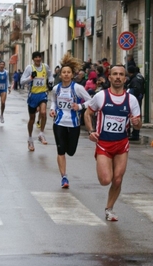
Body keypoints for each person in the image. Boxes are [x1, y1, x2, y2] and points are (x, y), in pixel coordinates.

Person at [84, 65, 142, 221]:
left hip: (122, 144)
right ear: (109, 78)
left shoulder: (132, 100)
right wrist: (91, 131)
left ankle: (109, 209)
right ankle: (109, 204)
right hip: (104, 143)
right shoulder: (101, 96)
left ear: (125, 78)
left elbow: (138, 124)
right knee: (105, 180)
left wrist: (136, 123)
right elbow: (88, 113)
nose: (117, 77)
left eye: (121, 75)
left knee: (117, 179)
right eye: (115, 74)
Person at [49, 54, 92, 188]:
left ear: (72, 74)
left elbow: (91, 100)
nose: (66, 75)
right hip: (59, 123)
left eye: (69, 72)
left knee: (71, 151)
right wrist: (52, 109)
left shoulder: (77, 88)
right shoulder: (56, 89)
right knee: (60, 150)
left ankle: (67, 150)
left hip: (74, 124)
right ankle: (64, 177)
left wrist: (79, 106)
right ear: (60, 75)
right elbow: (53, 101)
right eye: (64, 72)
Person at [20, 51, 54, 151]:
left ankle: (41, 134)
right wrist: (30, 78)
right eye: (36, 57)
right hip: (32, 96)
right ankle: (30, 138)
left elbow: (50, 75)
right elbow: (22, 81)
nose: (38, 59)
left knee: (43, 113)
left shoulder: (45, 67)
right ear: (33, 59)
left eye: (39, 57)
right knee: (32, 119)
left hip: (43, 94)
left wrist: (50, 82)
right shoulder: (29, 68)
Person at [127, 65, 145, 141]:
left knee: (135, 116)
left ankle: (135, 134)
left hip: (135, 99)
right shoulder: (139, 77)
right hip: (137, 99)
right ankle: (134, 133)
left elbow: (136, 89)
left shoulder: (135, 79)